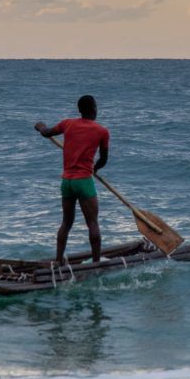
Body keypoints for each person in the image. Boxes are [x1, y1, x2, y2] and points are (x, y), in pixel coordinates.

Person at [34, 95, 109, 265]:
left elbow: (47, 133)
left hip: (66, 182)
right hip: (83, 181)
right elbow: (104, 159)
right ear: (94, 110)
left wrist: (40, 126)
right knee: (92, 223)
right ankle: (96, 264)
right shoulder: (102, 131)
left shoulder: (67, 124)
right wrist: (95, 168)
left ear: (80, 111)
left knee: (66, 223)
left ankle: (59, 261)